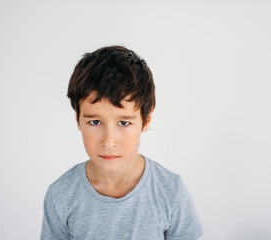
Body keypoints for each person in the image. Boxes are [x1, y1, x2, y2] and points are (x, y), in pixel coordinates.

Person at [41, 46, 203, 239]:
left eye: (124, 122)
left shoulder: (170, 191)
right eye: (95, 122)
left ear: (146, 120)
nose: (109, 142)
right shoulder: (60, 195)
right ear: (78, 119)